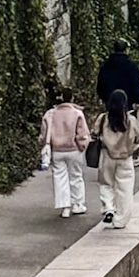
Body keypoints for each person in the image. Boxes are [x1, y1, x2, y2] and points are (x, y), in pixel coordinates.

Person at [39, 87, 90, 220]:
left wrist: (44, 143)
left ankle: (65, 207)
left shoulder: (50, 114)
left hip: (57, 150)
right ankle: (78, 204)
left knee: (59, 177)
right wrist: (82, 145)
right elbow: (82, 133)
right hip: (74, 150)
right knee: (76, 176)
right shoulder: (77, 113)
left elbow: (44, 134)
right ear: (71, 98)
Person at [95, 88, 139, 230]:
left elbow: (94, 133)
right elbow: (138, 135)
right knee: (125, 188)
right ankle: (121, 220)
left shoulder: (103, 118)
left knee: (106, 183)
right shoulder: (130, 120)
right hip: (125, 157)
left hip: (107, 155)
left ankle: (108, 208)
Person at [96, 38, 139, 112]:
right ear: (125, 50)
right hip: (127, 102)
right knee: (128, 118)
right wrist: (137, 100)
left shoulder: (106, 66)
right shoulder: (131, 66)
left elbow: (101, 83)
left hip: (110, 101)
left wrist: (102, 97)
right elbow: (136, 83)